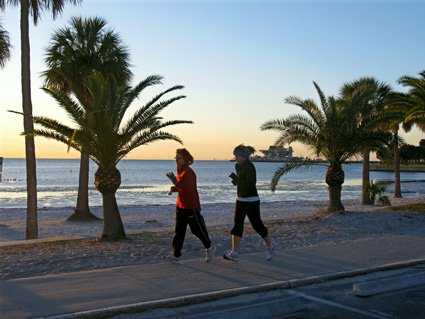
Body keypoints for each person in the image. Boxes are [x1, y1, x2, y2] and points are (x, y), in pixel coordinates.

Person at [223, 144, 276, 262]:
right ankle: (234, 252)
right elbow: (241, 182)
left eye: (237, 155)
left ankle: (271, 245)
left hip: (251, 200)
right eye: (235, 155)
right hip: (240, 200)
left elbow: (251, 183)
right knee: (237, 224)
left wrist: (238, 180)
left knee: (257, 225)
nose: (235, 157)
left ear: (244, 156)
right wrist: (236, 181)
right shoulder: (238, 166)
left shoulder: (250, 166)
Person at [163, 148, 215, 263]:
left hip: (191, 207)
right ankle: (176, 255)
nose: (177, 160)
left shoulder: (189, 172)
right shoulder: (180, 170)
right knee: (179, 231)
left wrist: (174, 182)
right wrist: (174, 188)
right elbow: (181, 187)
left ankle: (209, 247)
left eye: (179, 158)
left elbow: (188, 189)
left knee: (197, 230)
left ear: (185, 159)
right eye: (175, 158)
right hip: (180, 206)